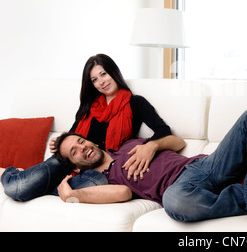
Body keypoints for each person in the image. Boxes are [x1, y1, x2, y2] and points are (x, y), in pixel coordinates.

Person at [1, 54, 184, 201]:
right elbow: (72, 137)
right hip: (71, 161)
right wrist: (58, 144)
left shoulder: (135, 103)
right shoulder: (88, 108)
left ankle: (49, 186)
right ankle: (12, 173)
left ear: (113, 72)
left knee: (98, 187)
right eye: (95, 80)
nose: (101, 82)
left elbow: (163, 131)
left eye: (103, 74)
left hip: (101, 169)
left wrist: (147, 148)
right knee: (17, 188)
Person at [54, 108, 247, 223]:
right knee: (174, 203)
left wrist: (152, 146)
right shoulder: (102, 180)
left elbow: (178, 142)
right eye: (74, 151)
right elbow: (122, 192)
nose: (83, 148)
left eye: (81, 141)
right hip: (180, 190)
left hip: (205, 165)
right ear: (75, 166)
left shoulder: (129, 144)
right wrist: (70, 195)